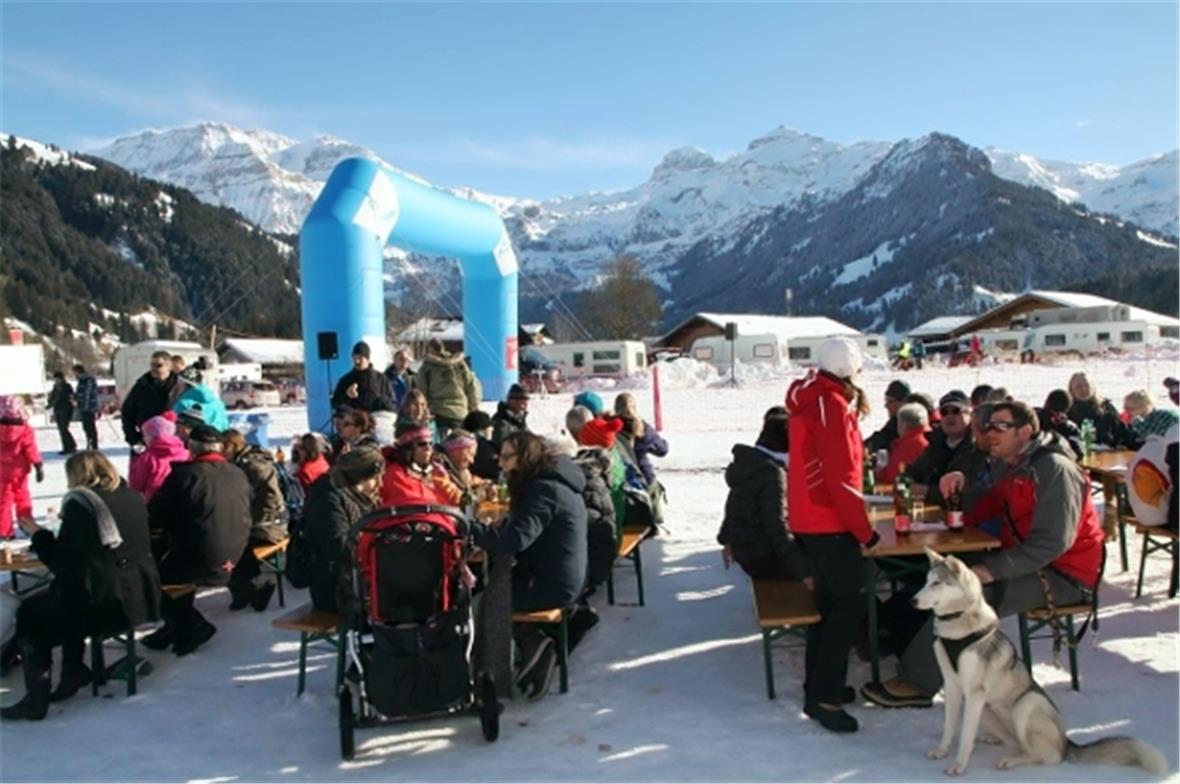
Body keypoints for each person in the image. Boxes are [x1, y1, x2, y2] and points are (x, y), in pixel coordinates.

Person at [862, 401, 1103, 710]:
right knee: (941, 574)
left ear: (1026, 432)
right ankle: (901, 644)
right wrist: (949, 492)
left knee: (967, 596)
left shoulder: (1054, 469)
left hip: (1064, 575)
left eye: (1000, 426)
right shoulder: (1013, 464)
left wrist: (992, 570)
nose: (990, 433)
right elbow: (987, 503)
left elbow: (1052, 543)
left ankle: (918, 682)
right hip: (1026, 559)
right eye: (988, 426)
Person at [1, 452, 160, 721]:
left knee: (30, 613)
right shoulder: (131, 496)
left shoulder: (83, 506)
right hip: (138, 596)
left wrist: (39, 535)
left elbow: (63, 563)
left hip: (102, 603)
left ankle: (36, 698)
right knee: (64, 595)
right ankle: (72, 671)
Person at [785, 337, 879, 733]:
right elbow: (840, 478)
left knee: (828, 605)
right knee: (847, 607)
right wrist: (865, 531)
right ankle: (823, 695)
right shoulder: (831, 407)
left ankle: (821, 684)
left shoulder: (812, 398)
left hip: (810, 518)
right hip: (830, 522)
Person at [469, 431, 587, 701]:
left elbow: (515, 541)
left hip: (552, 585)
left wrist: (471, 530)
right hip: (557, 575)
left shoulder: (543, 489)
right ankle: (531, 647)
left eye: (507, 458)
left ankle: (494, 680)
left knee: (480, 604)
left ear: (524, 458)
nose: (501, 464)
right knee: (486, 588)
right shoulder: (550, 480)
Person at [144, 425, 251, 656]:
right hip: (236, 553)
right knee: (181, 556)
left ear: (191, 448)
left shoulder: (186, 475)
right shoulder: (237, 472)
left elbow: (155, 515)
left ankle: (190, 624)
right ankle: (175, 626)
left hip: (206, 556)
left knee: (152, 575)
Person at [717, 406, 809, 581]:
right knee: (827, 563)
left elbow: (735, 502)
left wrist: (726, 538)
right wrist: (804, 572)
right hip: (763, 557)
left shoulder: (752, 463)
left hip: (749, 552)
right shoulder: (772, 472)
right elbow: (777, 527)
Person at [303, 447, 384, 613]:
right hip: (335, 588)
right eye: (376, 478)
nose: (380, 484)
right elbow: (340, 547)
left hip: (358, 580)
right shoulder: (326, 497)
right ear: (360, 478)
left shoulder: (357, 495)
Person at [223, 430, 288, 612]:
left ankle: (252, 589)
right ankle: (246, 589)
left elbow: (270, 499)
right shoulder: (247, 461)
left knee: (233, 546)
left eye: (224, 447)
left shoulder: (251, 466)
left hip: (269, 524)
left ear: (234, 446)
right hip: (266, 520)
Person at [905, 391, 975, 507]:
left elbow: (966, 493)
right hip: (930, 514)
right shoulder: (936, 443)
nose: (950, 416)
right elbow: (913, 470)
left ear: (969, 415)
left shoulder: (975, 448)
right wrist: (908, 482)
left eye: (956, 411)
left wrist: (927, 492)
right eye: (944, 412)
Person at [121, 351, 190, 448]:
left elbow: (191, 415)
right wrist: (132, 437)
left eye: (158, 365)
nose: (154, 369)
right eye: (152, 365)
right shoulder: (142, 386)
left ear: (169, 367)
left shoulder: (181, 387)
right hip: (147, 441)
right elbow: (127, 412)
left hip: (175, 442)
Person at [0, 396, 44, 541]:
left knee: (3, 500)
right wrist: (38, 464)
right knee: (22, 497)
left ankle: (4, 531)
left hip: (2, 471)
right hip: (19, 471)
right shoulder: (25, 430)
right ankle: (26, 525)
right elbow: (30, 449)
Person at [416, 339, 480, 434]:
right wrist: (474, 407)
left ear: (429, 350)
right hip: (460, 411)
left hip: (437, 412)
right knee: (460, 442)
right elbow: (471, 386)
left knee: (440, 445)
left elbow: (421, 391)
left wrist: (424, 410)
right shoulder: (460, 364)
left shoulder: (427, 367)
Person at [128, 413, 190, 502]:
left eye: (145, 435)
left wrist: (134, 461)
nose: (144, 439)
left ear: (153, 436)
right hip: (182, 501)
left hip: (155, 503)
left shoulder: (148, 457)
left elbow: (136, 485)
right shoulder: (186, 453)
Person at [613, 392, 668, 488]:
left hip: (618, 478)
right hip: (643, 476)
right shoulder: (642, 428)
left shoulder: (610, 426)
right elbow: (662, 450)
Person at [1066, 372, 1133, 448]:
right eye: (1078, 387)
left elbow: (1121, 432)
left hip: (1107, 453)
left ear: (1093, 387)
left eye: (1087, 385)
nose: (1083, 389)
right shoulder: (1066, 411)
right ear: (1071, 390)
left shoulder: (1106, 408)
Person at [331, 341, 396, 414]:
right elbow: (334, 404)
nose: (357, 361)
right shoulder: (346, 380)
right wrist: (346, 395)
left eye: (360, 358)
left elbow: (392, 403)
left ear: (368, 359)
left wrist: (382, 403)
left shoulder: (381, 379)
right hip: (354, 423)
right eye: (354, 358)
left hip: (375, 421)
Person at [876, 402, 930, 485]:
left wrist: (878, 473)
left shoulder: (908, 446)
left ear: (904, 424)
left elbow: (893, 476)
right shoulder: (930, 439)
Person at [436, 429, 485, 508]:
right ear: (456, 450)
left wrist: (486, 485)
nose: (472, 461)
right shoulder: (437, 469)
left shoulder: (460, 470)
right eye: (470, 454)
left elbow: (471, 480)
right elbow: (452, 495)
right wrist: (476, 498)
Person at [865, 380, 910, 454]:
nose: (886, 405)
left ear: (903, 402)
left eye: (890, 401)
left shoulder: (912, 424)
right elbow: (883, 437)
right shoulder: (895, 421)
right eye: (886, 400)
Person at [1036, 389, 1083, 459]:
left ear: (1046, 402)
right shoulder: (1070, 428)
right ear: (1067, 409)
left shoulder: (1033, 419)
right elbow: (1079, 453)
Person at [462, 410, 499, 481]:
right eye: (489, 426)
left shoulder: (459, 444)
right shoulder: (485, 448)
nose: (492, 429)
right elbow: (491, 470)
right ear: (481, 429)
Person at [48, 371, 77, 455]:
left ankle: (71, 446)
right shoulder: (55, 387)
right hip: (58, 409)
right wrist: (50, 402)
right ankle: (66, 447)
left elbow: (70, 396)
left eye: (57, 378)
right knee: (61, 429)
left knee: (64, 428)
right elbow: (53, 398)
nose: (56, 380)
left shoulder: (67, 386)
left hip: (66, 409)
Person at [72, 364, 99, 451]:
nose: (74, 375)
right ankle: (89, 442)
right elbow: (80, 392)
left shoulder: (88, 380)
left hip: (89, 407)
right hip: (83, 407)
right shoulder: (81, 381)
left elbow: (87, 394)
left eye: (75, 372)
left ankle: (94, 445)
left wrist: (86, 406)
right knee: (86, 426)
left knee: (90, 426)